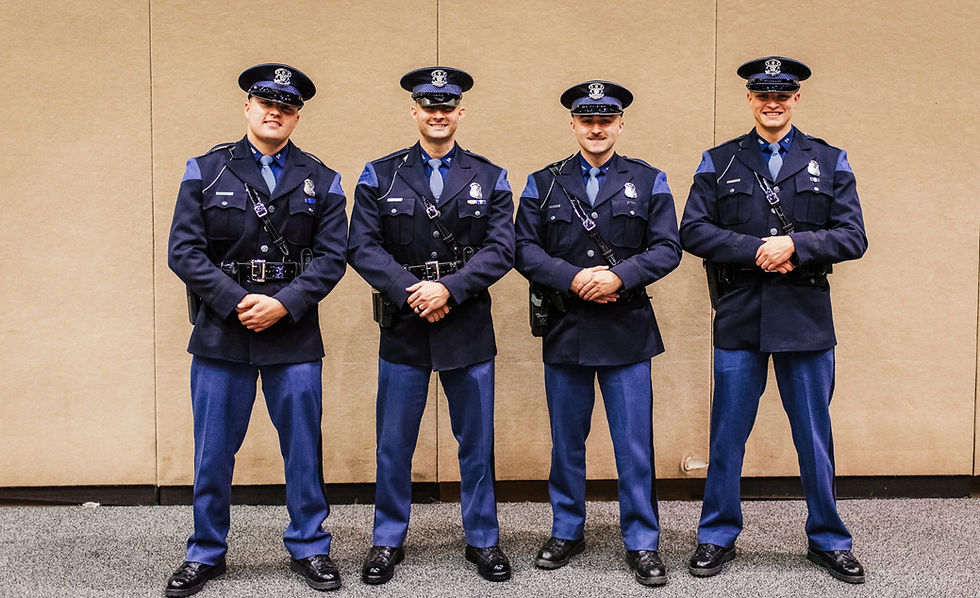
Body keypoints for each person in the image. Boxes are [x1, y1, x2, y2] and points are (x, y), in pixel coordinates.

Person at [679, 56, 868, 584]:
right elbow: (692, 230)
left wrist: (796, 244)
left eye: (783, 94)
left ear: (797, 99)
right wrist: (756, 248)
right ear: (749, 99)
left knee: (813, 435)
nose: (773, 102)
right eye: (763, 94)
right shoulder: (719, 160)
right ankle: (716, 535)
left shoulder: (830, 160)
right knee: (727, 436)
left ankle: (828, 540)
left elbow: (853, 236)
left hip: (805, 318)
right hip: (740, 316)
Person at [166, 63, 348, 596]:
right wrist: (236, 300)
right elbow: (184, 251)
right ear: (247, 107)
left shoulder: (323, 178)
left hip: (291, 332)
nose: (275, 111)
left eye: (287, 106)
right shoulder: (205, 170)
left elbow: (333, 257)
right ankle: (206, 552)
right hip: (223, 331)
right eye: (265, 101)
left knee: (302, 447)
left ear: (297, 116)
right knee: (214, 450)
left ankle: (311, 546)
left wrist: (283, 304)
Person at [347, 66, 514, 584]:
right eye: (429, 105)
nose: (438, 114)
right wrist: (412, 291)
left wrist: (449, 288)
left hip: (466, 322)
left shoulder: (490, 175)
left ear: (460, 113)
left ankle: (483, 539)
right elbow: (362, 246)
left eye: (448, 106)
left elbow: (502, 247)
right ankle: (387, 539)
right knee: (394, 442)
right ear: (414, 112)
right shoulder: (381, 174)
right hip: (404, 323)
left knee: (476, 441)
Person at [514, 80, 681, 586]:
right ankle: (568, 529)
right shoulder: (543, 182)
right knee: (568, 441)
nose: (596, 127)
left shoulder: (649, 180)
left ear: (620, 124)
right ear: (573, 124)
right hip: (567, 327)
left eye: (606, 119)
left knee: (633, 443)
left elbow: (667, 247)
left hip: (626, 328)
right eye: (587, 119)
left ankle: (643, 540)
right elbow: (523, 247)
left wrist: (617, 276)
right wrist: (573, 279)